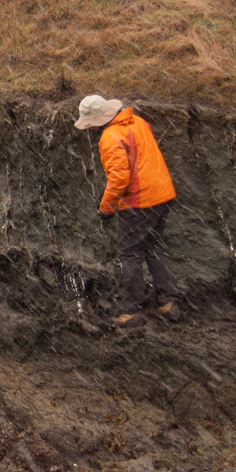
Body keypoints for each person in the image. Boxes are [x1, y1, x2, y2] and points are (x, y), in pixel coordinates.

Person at [75, 94, 181, 328]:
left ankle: (131, 311)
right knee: (154, 247)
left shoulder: (110, 137)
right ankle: (169, 301)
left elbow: (119, 178)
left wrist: (106, 207)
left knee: (130, 255)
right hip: (162, 194)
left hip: (139, 202)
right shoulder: (138, 123)